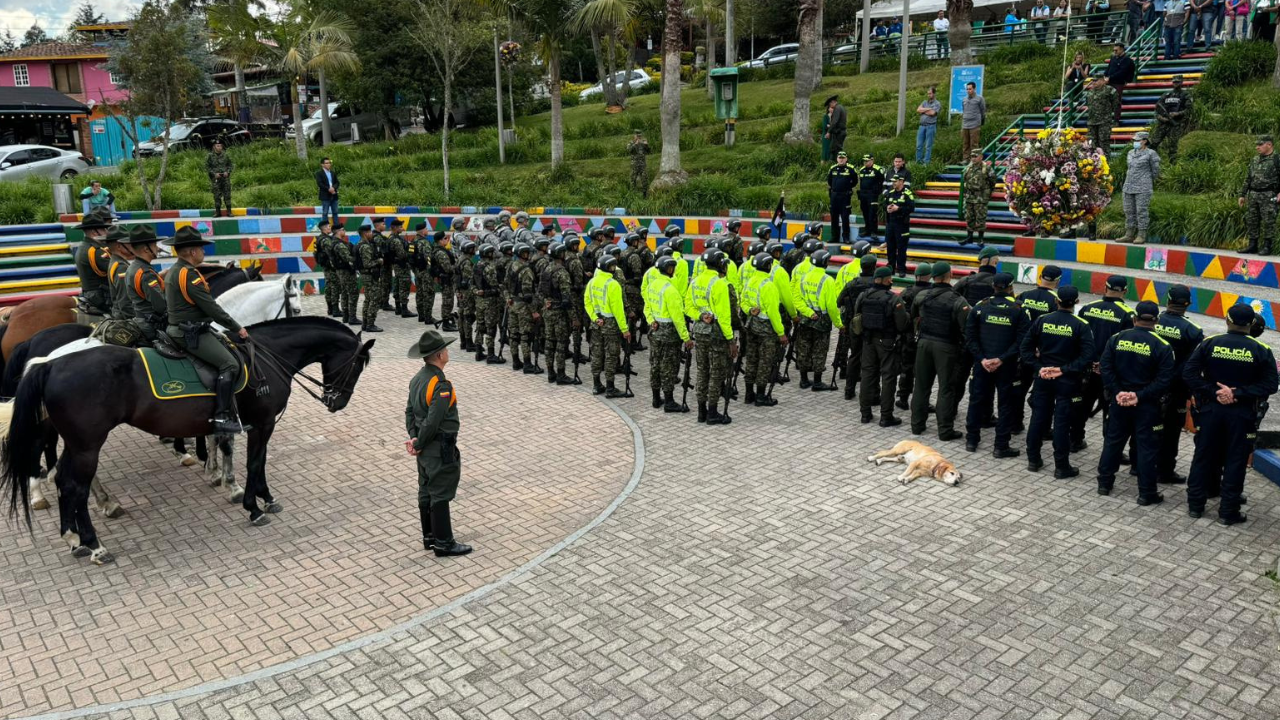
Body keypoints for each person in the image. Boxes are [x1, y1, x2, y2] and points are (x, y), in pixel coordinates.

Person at [1183, 304, 1278, 524]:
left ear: (1227, 320)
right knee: (1236, 461)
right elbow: (1271, 384)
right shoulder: (1261, 349)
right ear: (1252, 324)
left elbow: (1189, 374)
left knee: (1203, 456)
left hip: (1211, 410)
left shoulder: (1210, 343)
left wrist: (1215, 392)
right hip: (1242, 413)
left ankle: (1195, 506)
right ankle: (1228, 512)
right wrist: (1238, 393)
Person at [163, 226, 250, 435]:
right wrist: (237, 328)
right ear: (192, 252)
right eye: (201, 249)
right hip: (189, 333)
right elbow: (211, 307)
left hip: (182, 328)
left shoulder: (175, 270)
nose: (204, 253)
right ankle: (221, 417)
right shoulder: (189, 275)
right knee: (229, 363)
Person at [1094, 300, 1175, 504]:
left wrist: (1119, 392)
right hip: (1147, 406)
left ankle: (1104, 484)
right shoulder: (1163, 346)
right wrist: (1139, 396)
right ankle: (1146, 494)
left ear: (1134, 318)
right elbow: (1164, 380)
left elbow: (1106, 368)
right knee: (1147, 449)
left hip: (1119, 402)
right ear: (1156, 321)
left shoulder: (1116, 338)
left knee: (1113, 443)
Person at [405, 329, 472, 557]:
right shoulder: (441, 384)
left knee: (426, 490)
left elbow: (410, 412)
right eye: (445, 349)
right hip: (438, 446)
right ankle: (444, 543)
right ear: (440, 355)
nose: (447, 352)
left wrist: (415, 439)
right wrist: (421, 441)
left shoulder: (417, 379)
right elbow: (434, 421)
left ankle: (430, 537)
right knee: (440, 492)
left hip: (425, 448)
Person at [1020, 284, 1094, 478]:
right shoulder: (1081, 325)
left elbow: (1025, 349)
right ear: (1077, 302)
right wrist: (1063, 370)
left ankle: (1033, 460)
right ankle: (1061, 467)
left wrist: (1040, 368)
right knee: (1062, 423)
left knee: (1038, 418)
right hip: (1067, 381)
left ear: (1056, 301)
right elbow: (1087, 356)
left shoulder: (1042, 320)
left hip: (1043, 378)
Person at [963, 272, 1026, 456]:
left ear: (993, 286)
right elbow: (1022, 341)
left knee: (976, 401)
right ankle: (1001, 446)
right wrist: (1001, 359)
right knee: (1005, 405)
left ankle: (971, 441)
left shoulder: (980, 306)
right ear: (1011, 287)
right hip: (1006, 366)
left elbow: (970, 337)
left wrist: (982, 359)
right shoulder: (1019, 309)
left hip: (982, 364)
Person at [1072, 275, 1136, 452]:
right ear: (1124, 291)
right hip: (1111, 372)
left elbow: (1079, 339)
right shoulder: (1128, 314)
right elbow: (1126, 347)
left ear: (1104, 288)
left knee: (1081, 405)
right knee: (1111, 411)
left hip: (1085, 368)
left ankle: (1075, 439)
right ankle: (1111, 450)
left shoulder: (1087, 308)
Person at [910, 262, 970, 441]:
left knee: (921, 385)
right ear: (949, 275)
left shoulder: (922, 295)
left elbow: (913, 316)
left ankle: (917, 425)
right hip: (946, 347)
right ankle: (945, 431)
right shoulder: (958, 300)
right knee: (946, 389)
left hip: (923, 344)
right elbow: (966, 327)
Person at [1152, 285, 1204, 484]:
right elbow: (1192, 367)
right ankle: (1165, 471)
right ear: (1188, 304)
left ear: (1167, 300)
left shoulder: (1152, 320)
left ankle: (1139, 466)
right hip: (1176, 390)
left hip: (1148, 385)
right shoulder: (1193, 330)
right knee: (1171, 432)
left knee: (1144, 425)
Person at [855, 266, 910, 426]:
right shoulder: (893, 299)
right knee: (888, 378)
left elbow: (857, 317)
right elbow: (901, 324)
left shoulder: (863, 296)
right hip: (887, 342)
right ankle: (886, 417)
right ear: (888, 280)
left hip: (867, 341)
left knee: (867, 375)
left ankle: (865, 414)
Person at [741, 252, 788, 408]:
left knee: (751, 359)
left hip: (752, 325)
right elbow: (774, 313)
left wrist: (749, 310)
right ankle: (760, 396)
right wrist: (781, 333)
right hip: (767, 329)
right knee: (765, 362)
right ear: (768, 266)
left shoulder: (750, 281)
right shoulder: (769, 285)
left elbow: (743, 302)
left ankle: (749, 394)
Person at [795, 250, 841, 391]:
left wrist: (808, 312)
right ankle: (817, 382)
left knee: (804, 349)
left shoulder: (803, 277)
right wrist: (839, 323)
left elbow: (796, 299)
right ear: (825, 263)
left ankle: (803, 380)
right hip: (822, 320)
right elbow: (832, 307)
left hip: (805, 318)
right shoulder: (827, 280)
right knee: (819, 351)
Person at [586, 253, 629, 397]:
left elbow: (587, 302)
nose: (614, 268)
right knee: (611, 355)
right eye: (612, 266)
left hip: (596, 323)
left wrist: (594, 318)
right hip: (610, 325)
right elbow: (618, 310)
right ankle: (610, 388)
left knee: (597, 354)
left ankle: (596, 384)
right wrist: (625, 329)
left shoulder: (592, 282)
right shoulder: (613, 284)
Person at [896, 263, 933, 411]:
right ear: (929, 276)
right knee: (925, 371)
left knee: (906, 368)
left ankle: (903, 398)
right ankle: (923, 401)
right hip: (926, 338)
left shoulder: (907, 292)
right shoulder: (932, 293)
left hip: (908, 337)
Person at [1238, 135, 1280, 255]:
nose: (1257, 147)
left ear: (1269, 145)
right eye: (1257, 145)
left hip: (1269, 194)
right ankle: (1253, 245)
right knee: (1252, 220)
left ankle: (1267, 246)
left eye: (1260, 145)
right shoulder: (1255, 160)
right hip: (1253, 194)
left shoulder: (1277, 159)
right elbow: (1248, 178)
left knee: (1269, 220)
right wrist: (1242, 194)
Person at [74, 208, 114, 323]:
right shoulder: (95, 251)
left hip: (91, 293)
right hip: (102, 297)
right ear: (94, 232)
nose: (106, 232)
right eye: (104, 229)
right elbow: (116, 272)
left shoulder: (84, 246)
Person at [1120, 131, 1160, 244]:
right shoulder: (1130, 153)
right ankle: (1129, 233)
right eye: (1135, 140)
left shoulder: (1151, 153)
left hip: (1143, 187)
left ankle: (1141, 234)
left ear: (1145, 141)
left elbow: (1155, 171)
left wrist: (1146, 180)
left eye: (1138, 140)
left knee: (1141, 211)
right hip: (1128, 185)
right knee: (1128, 210)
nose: (1135, 142)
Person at [1150, 77, 1194, 165]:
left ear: (1181, 82)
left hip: (1176, 124)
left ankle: (1172, 166)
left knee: (1173, 146)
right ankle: (1150, 162)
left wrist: (1177, 114)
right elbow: (1157, 109)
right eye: (1174, 82)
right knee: (1153, 143)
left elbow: (1189, 110)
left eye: (1177, 82)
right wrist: (1162, 118)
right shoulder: (1166, 94)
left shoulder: (1185, 95)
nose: (1175, 83)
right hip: (1163, 124)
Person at [959, 151, 997, 247]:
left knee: (980, 217)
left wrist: (987, 192)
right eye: (972, 156)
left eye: (975, 156)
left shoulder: (986, 168)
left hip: (981, 197)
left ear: (981, 157)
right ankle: (969, 237)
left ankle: (980, 238)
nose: (973, 158)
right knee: (969, 217)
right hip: (969, 197)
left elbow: (993, 180)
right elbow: (965, 180)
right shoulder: (968, 168)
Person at [882, 175, 914, 276]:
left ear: (902, 181)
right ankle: (891, 268)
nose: (893, 183)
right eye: (892, 181)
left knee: (901, 248)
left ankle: (901, 269)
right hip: (891, 224)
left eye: (896, 181)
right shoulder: (890, 193)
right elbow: (884, 204)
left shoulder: (907, 193)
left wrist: (898, 209)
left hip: (902, 225)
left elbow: (911, 208)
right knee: (890, 248)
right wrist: (887, 208)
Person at [329, 225, 358, 326]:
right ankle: (352, 317)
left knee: (345, 293)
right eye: (343, 230)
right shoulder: (339, 245)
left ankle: (346, 316)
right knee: (353, 293)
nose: (345, 231)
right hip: (346, 271)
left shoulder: (334, 243)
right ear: (338, 231)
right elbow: (348, 258)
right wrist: (358, 261)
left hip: (341, 271)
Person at [827, 151, 856, 245]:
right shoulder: (832, 168)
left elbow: (855, 181)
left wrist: (847, 188)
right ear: (837, 159)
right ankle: (834, 237)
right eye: (840, 158)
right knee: (834, 217)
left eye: (843, 158)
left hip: (845, 196)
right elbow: (829, 181)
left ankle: (846, 237)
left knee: (845, 217)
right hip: (834, 196)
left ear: (846, 159)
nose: (841, 159)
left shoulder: (851, 168)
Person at [1103, 44, 1136, 124]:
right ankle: (1106, 119)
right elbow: (1109, 68)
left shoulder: (1126, 60)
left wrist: (1110, 77)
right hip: (1109, 82)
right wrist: (1105, 75)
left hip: (1118, 83)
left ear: (1121, 50)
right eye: (1114, 50)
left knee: (1116, 101)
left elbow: (1122, 72)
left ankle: (1116, 120)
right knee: (1106, 101)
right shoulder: (1113, 58)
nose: (1115, 52)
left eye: (1116, 50)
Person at [1085, 78, 1119, 154]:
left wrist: (1107, 112)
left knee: (1104, 142)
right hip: (1092, 121)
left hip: (1104, 121)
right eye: (1092, 81)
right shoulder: (1090, 92)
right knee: (1092, 143)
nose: (1093, 82)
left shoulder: (1109, 90)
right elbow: (1087, 104)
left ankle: (1106, 161)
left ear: (1102, 81)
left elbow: (1116, 103)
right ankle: (1094, 161)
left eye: (1096, 80)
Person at [857, 155, 886, 243]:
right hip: (863, 194)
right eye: (864, 161)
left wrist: (879, 192)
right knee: (865, 212)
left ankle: (874, 231)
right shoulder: (862, 170)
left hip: (873, 194)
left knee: (872, 213)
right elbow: (861, 182)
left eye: (867, 161)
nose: (865, 163)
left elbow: (883, 181)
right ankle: (867, 230)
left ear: (872, 160)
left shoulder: (878, 169)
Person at [456, 241, 478, 352]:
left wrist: (457, 291)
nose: (475, 250)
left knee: (461, 316)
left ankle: (463, 342)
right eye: (473, 248)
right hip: (467, 293)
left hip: (460, 292)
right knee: (468, 316)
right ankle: (469, 342)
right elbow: (469, 279)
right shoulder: (467, 262)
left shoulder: (460, 259)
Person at [410, 224, 435, 323]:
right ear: (422, 231)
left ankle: (421, 316)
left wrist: (414, 270)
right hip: (425, 271)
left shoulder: (413, 241)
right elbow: (428, 258)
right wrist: (431, 271)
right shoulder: (425, 242)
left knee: (419, 293)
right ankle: (428, 317)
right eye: (426, 229)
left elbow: (410, 257)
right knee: (428, 293)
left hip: (417, 271)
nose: (427, 230)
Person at [206, 140, 233, 217]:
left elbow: (231, 165)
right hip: (216, 179)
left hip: (225, 178)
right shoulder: (210, 156)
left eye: (221, 146)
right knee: (217, 196)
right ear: (214, 147)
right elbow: (207, 167)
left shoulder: (226, 155)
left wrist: (227, 172)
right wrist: (214, 174)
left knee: (227, 195)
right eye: (218, 146)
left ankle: (229, 212)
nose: (219, 147)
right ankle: (218, 212)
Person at [915, 87, 941, 164]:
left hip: (931, 126)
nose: (928, 95)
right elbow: (918, 110)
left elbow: (932, 113)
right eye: (928, 93)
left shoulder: (937, 103)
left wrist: (923, 110)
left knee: (928, 146)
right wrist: (928, 109)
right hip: (922, 126)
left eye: (930, 93)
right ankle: (918, 162)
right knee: (919, 146)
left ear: (934, 94)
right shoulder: (924, 102)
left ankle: (926, 162)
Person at [960, 82, 986, 159]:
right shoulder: (964, 99)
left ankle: (974, 160)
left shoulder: (979, 99)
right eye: (967, 89)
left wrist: (981, 121)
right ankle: (965, 159)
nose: (968, 91)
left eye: (970, 89)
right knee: (965, 143)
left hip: (975, 124)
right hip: (965, 124)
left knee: (974, 144)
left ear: (974, 89)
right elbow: (964, 110)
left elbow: (983, 111)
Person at [315, 157, 339, 228]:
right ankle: (325, 227)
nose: (329, 164)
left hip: (334, 194)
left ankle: (336, 227)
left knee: (335, 212)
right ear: (322, 165)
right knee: (325, 212)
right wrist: (329, 189)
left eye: (329, 163)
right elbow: (320, 183)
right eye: (327, 163)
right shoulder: (319, 173)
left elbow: (337, 182)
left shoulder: (332, 173)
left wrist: (333, 188)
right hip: (325, 195)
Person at [628, 129, 650, 195]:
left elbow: (649, 152)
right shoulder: (631, 143)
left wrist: (646, 145)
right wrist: (635, 144)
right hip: (634, 164)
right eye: (637, 136)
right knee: (633, 179)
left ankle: (645, 194)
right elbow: (629, 151)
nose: (639, 138)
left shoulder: (643, 143)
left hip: (642, 164)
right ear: (634, 136)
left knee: (644, 178)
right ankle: (632, 193)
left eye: (640, 136)